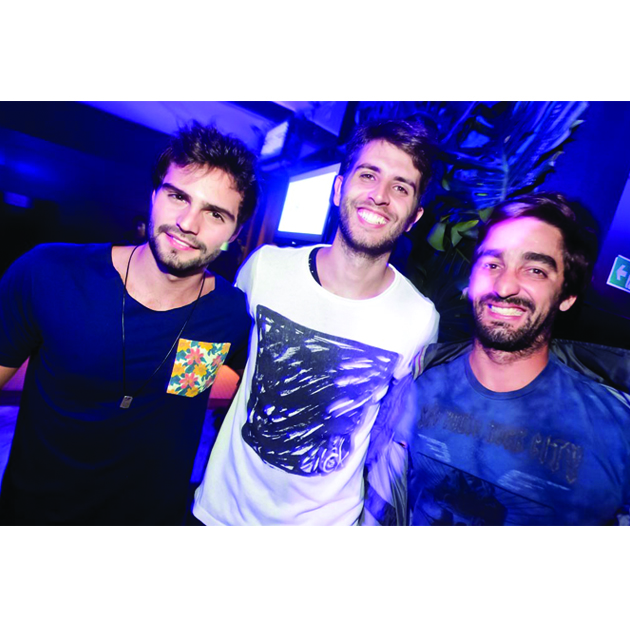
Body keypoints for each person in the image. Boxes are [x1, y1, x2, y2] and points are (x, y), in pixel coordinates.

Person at [0, 122, 257, 525]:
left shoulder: (233, 313)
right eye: (178, 196)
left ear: (235, 231)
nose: (188, 223)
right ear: (154, 196)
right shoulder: (47, 273)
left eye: (215, 213)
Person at [192, 119, 440, 525]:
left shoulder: (420, 319)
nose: (379, 196)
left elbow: (392, 435)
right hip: (220, 514)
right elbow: (212, 366)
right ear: (338, 188)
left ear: (414, 217)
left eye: (401, 188)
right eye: (368, 175)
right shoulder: (265, 268)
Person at [400, 193, 630, 525]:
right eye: (492, 264)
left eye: (535, 270)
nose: (505, 285)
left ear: (567, 295)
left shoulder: (616, 431)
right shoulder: (416, 389)